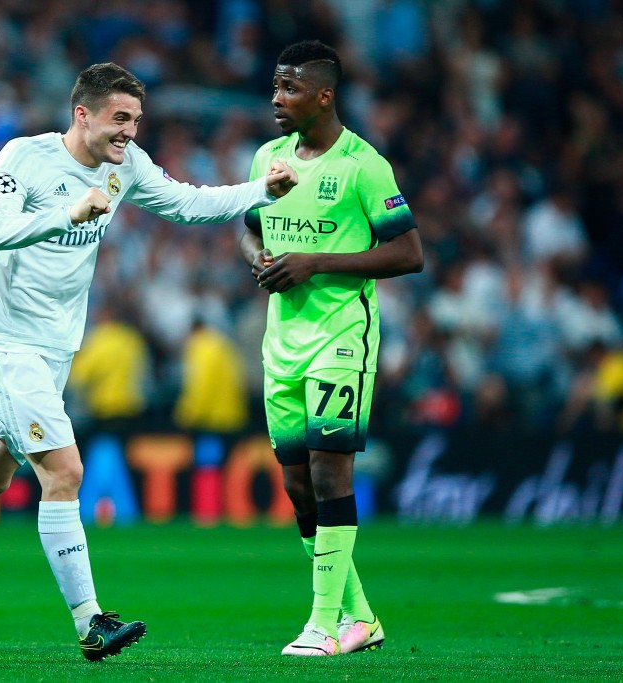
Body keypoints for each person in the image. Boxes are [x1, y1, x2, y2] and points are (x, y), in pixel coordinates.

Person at [0, 62, 297, 661]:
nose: (130, 133)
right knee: (64, 472)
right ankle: (92, 623)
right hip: (6, 343)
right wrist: (69, 213)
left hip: (55, 347)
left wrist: (261, 191)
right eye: (120, 119)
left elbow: (189, 203)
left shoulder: (125, 166)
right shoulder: (22, 158)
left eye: (136, 121)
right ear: (81, 114)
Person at [239, 41, 424, 657]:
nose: (276, 99)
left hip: (342, 336)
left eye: (289, 88)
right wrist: (261, 262)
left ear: (324, 95)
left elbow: (408, 252)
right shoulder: (268, 157)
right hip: (281, 342)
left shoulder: (364, 165)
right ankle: (361, 617)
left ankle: (321, 625)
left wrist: (317, 261)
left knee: (328, 469)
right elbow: (248, 228)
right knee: (296, 484)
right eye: (274, 86)